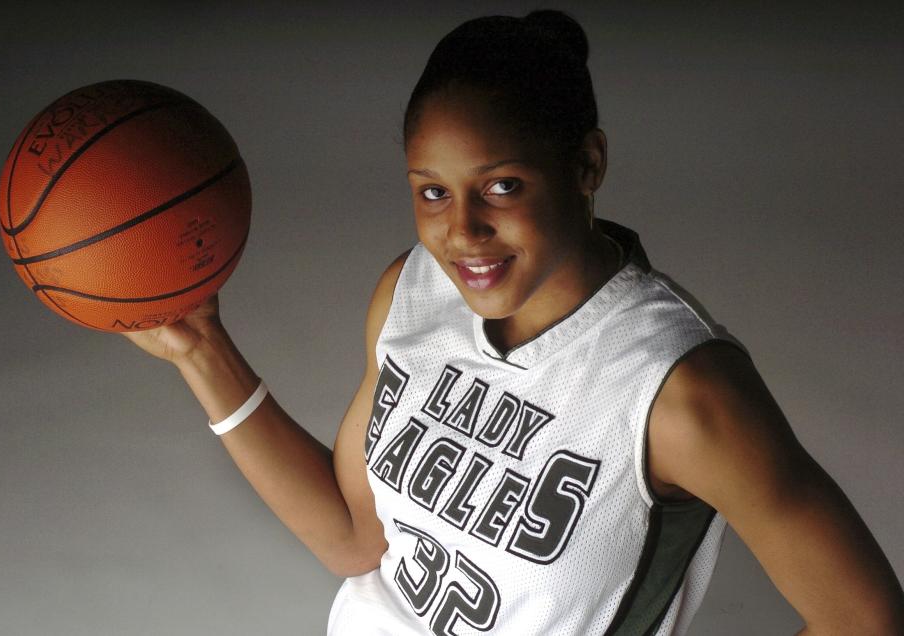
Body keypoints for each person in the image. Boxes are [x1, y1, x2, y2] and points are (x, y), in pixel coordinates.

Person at [123, 9, 904, 635]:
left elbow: (863, 617)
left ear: (588, 165)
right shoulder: (412, 290)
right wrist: (202, 351)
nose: (461, 232)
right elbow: (354, 539)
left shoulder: (679, 389)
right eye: (432, 192)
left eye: (500, 187)